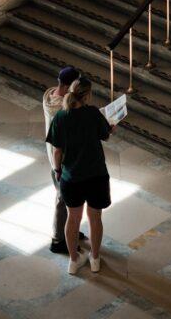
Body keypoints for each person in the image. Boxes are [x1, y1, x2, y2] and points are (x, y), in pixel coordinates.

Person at [46, 76, 113, 275]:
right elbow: (106, 134)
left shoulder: (61, 116)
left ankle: (74, 261)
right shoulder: (92, 113)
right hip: (96, 175)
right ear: (88, 95)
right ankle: (94, 258)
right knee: (95, 219)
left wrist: (58, 170)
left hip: (71, 177)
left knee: (73, 219)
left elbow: (57, 150)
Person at [43, 65, 87, 254]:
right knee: (63, 199)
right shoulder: (62, 110)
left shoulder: (49, 94)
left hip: (54, 155)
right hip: (61, 161)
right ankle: (58, 239)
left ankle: (71, 230)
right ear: (70, 86)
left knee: (69, 198)